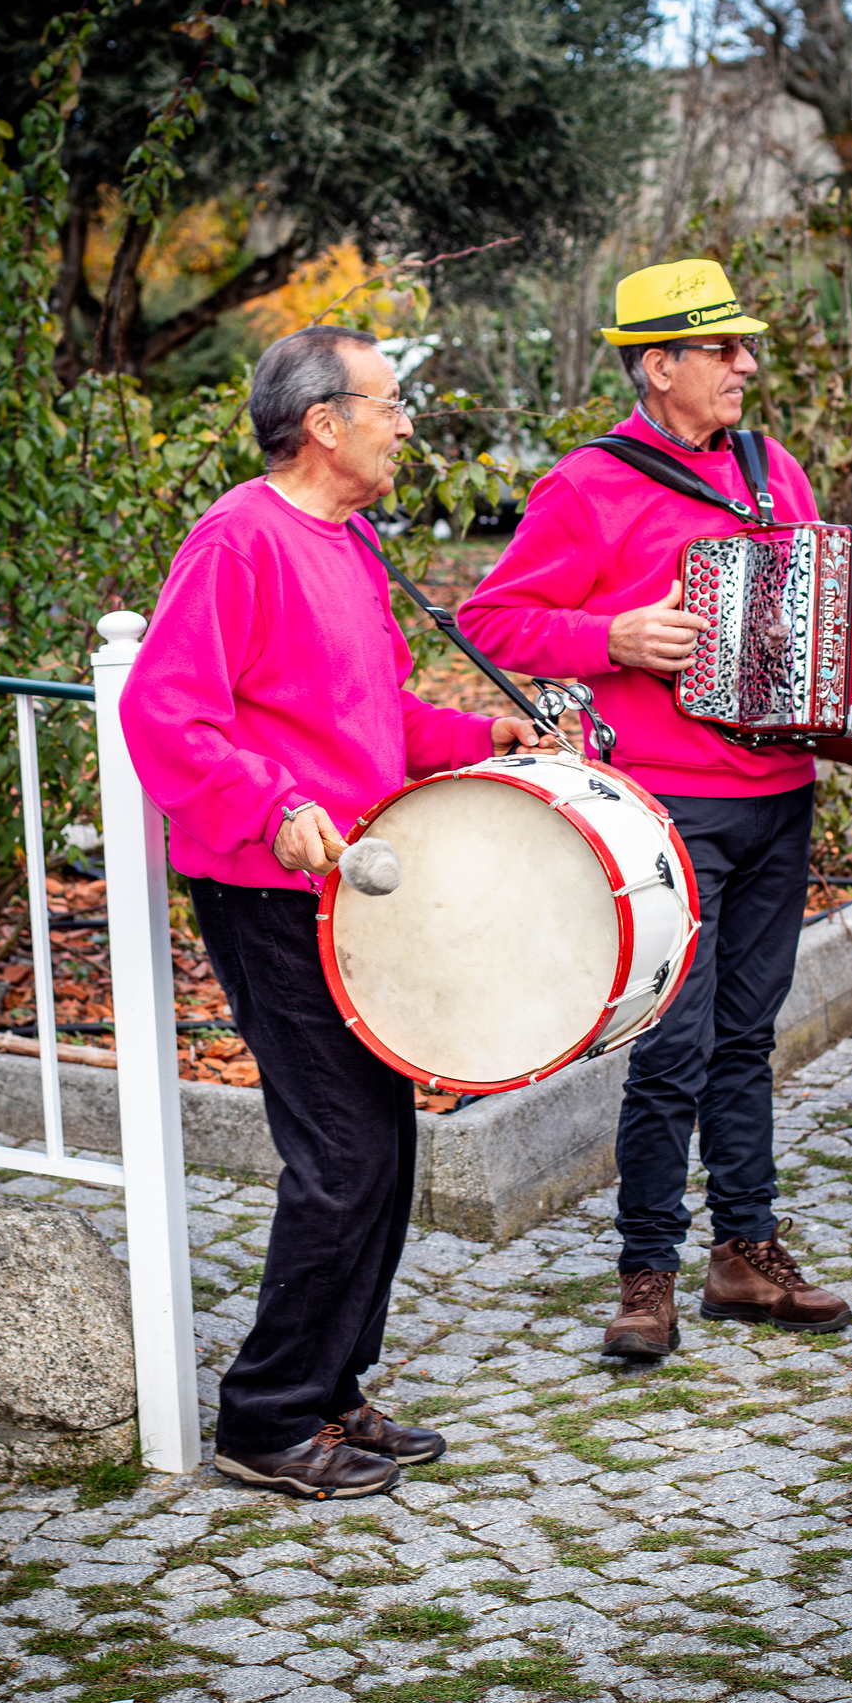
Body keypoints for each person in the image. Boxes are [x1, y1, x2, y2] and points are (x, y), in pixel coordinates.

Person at [459, 258, 852, 1356]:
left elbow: (831, 614)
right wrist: (609, 636)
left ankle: (744, 1253)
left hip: (779, 797)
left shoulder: (770, 466)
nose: (745, 364)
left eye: (745, 347)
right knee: (673, 1047)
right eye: (722, 348)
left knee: (747, 1037)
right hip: (669, 811)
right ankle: (646, 1272)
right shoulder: (587, 485)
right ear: (659, 366)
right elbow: (493, 619)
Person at [119, 324, 545, 1498]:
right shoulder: (238, 539)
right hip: (268, 894)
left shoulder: (350, 541)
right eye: (389, 402)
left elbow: (379, 715)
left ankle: (329, 1391)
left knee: (384, 1148)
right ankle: (264, 1420)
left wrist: (484, 735)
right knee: (343, 1155)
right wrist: (273, 807)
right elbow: (165, 713)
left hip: (352, 891)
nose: (405, 423)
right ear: (324, 423)